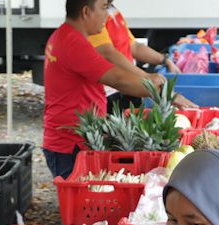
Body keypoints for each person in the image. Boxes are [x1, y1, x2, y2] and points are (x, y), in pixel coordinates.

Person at [42, 0, 165, 179]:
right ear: (86, 12)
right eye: (103, 8)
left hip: (69, 138)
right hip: (70, 143)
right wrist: (151, 85)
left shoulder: (63, 36)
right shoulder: (74, 43)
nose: (107, 15)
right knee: (76, 203)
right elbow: (117, 79)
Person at [88, 4, 192, 113]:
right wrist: (147, 78)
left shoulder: (113, 11)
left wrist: (165, 60)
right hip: (111, 91)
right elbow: (108, 53)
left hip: (130, 87)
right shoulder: (95, 14)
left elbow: (134, 46)